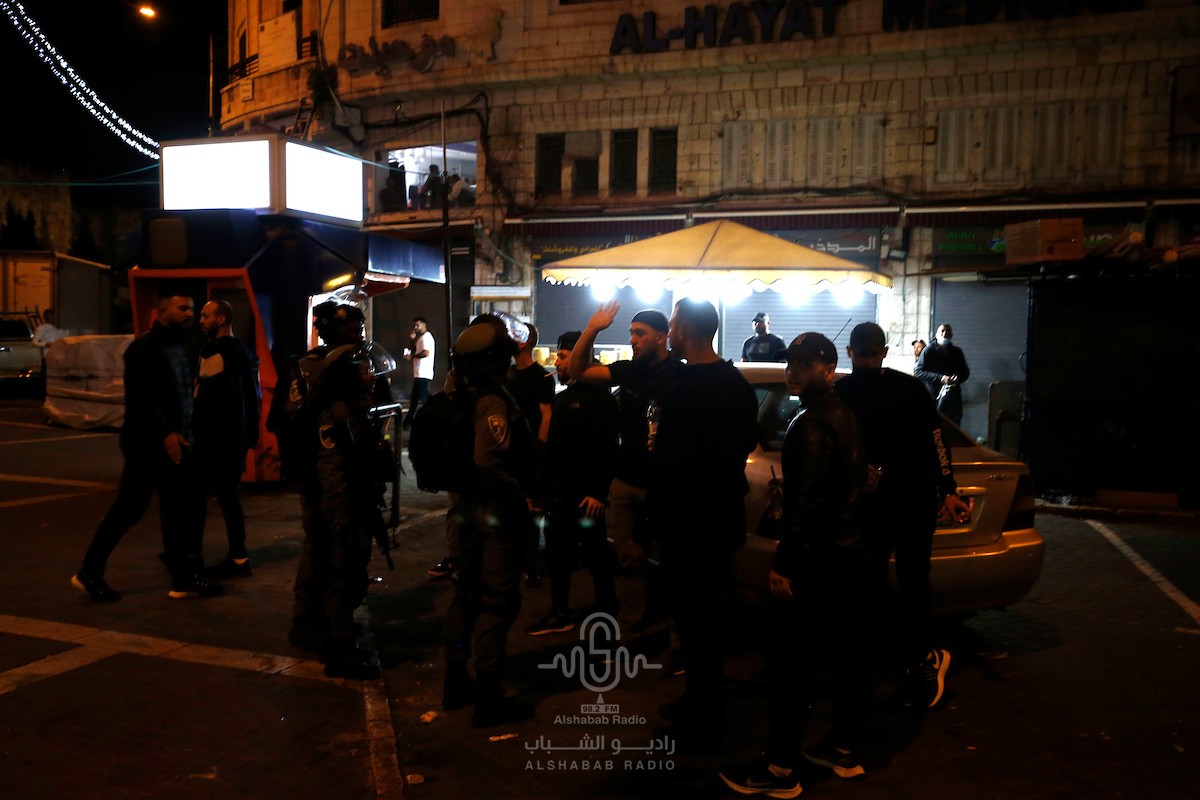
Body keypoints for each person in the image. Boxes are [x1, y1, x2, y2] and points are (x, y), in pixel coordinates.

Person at [719, 332, 869, 797]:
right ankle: (843, 747)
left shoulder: (811, 423)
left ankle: (780, 767)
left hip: (816, 559)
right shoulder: (844, 413)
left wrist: (785, 563)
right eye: (791, 364)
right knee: (845, 658)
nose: (793, 373)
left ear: (829, 369)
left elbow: (805, 503)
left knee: (791, 666)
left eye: (804, 365)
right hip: (846, 557)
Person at [835, 322, 970, 709]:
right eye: (863, 354)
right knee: (876, 580)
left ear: (881, 352)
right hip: (879, 503)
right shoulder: (843, 392)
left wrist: (948, 489)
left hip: (908, 499)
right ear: (852, 352)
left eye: (870, 354)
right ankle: (899, 653)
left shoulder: (903, 389)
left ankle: (920, 657)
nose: (867, 361)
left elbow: (935, 439)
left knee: (908, 580)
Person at [649, 298, 759, 747]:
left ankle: (703, 713)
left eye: (673, 323)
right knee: (706, 620)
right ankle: (702, 701)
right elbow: (742, 445)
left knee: (694, 621)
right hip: (718, 520)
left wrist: (652, 519)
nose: (669, 330)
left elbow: (669, 462)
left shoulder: (682, 387)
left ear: (684, 331)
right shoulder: (735, 384)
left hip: (688, 522)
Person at [72, 295, 221, 601]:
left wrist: (184, 433)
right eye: (183, 309)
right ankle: (89, 572)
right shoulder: (144, 347)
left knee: (176, 510)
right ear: (162, 311)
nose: (189, 314)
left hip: (176, 441)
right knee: (129, 509)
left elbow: (181, 394)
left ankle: (182, 579)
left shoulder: (180, 345)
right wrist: (167, 433)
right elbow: (141, 398)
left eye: (192, 310)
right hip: (147, 442)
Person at [441, 314, 538, 726]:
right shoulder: (492, 399)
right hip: (492, 513)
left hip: (461, 509)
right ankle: (488, 694)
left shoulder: (455, 389)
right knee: (497, 600)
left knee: (465, 595)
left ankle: (454, 680)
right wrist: (516, 496)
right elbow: (487, 462)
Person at [567, 302, 681, 643]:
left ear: (661, 336)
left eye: (639, 334)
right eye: (631, 333)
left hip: (665, 485)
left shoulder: (680, 375)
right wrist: (592, 329)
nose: (632, 340)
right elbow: (578, 370)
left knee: (675, 563)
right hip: (626, 483)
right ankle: (631, 627)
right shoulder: (628, 371)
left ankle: (679, 637)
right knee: (627, 560)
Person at [286, 301, 387, 680]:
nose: (368, 375)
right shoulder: (331, 386)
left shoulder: (336, 377)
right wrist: (342, 508)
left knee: (323, 557)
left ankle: (314, 626)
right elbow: (332, 459)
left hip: (329, 489)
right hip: (334, 492)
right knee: (339, 563)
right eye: (352, 329)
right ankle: (336, 643)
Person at [525, 330, 620, 636]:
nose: (557, 363)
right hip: (560, 494)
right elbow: (555, 451)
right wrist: (541, 489)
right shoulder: (564, 398)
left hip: (585, 497)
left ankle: (607, 612)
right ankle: (560, 611)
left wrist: (598, 492)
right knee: (557, 555)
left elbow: (607, 449)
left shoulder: (600, 399)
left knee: (596, 557)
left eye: (564, 357)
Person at [192, 300, 260, 579]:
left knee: (198, 494)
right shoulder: (243, 350)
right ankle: (238, 555)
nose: (200, 320)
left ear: (220, 319)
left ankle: (193, 556)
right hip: (234, 437)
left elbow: (205, 397)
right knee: (229, 496)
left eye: (205, 316)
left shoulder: (216, 352)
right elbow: (252, 397)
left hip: (216, 437)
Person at [506, 321, 554, 587]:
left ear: (524, 342)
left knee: (532, 510)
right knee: (513, 508)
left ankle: (530, 566)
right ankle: (514, 562)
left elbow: (546, 414)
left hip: (530, 451)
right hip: (510, 451)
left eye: (513, 336)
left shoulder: (541, 376)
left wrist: (539, 446)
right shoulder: (508, 374)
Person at [915, 323, 970, 426]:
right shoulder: (928, 351)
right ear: (936, 334)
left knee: (952, 429)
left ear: (951, 335)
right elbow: (918, 371)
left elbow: (965, 372)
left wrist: (958, 378)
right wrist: (940, 378)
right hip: (933, 397)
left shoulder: (957, 352)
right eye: (942, 331)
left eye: (947, 331)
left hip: (953, 400)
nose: (945, 334)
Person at [402, 317, 435, 430]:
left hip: (423, 374)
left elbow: (426, 353)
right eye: (414, 325)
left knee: (424, 399)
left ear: (424, 325)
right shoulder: (421, 338)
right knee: (414, 400)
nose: (415, 327)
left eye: (417, 325)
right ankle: (407, 422)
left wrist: (412, 356)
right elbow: (413, 349)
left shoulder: (426, 337)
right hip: (419, 374)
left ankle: (430, 421)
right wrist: (412, 339)